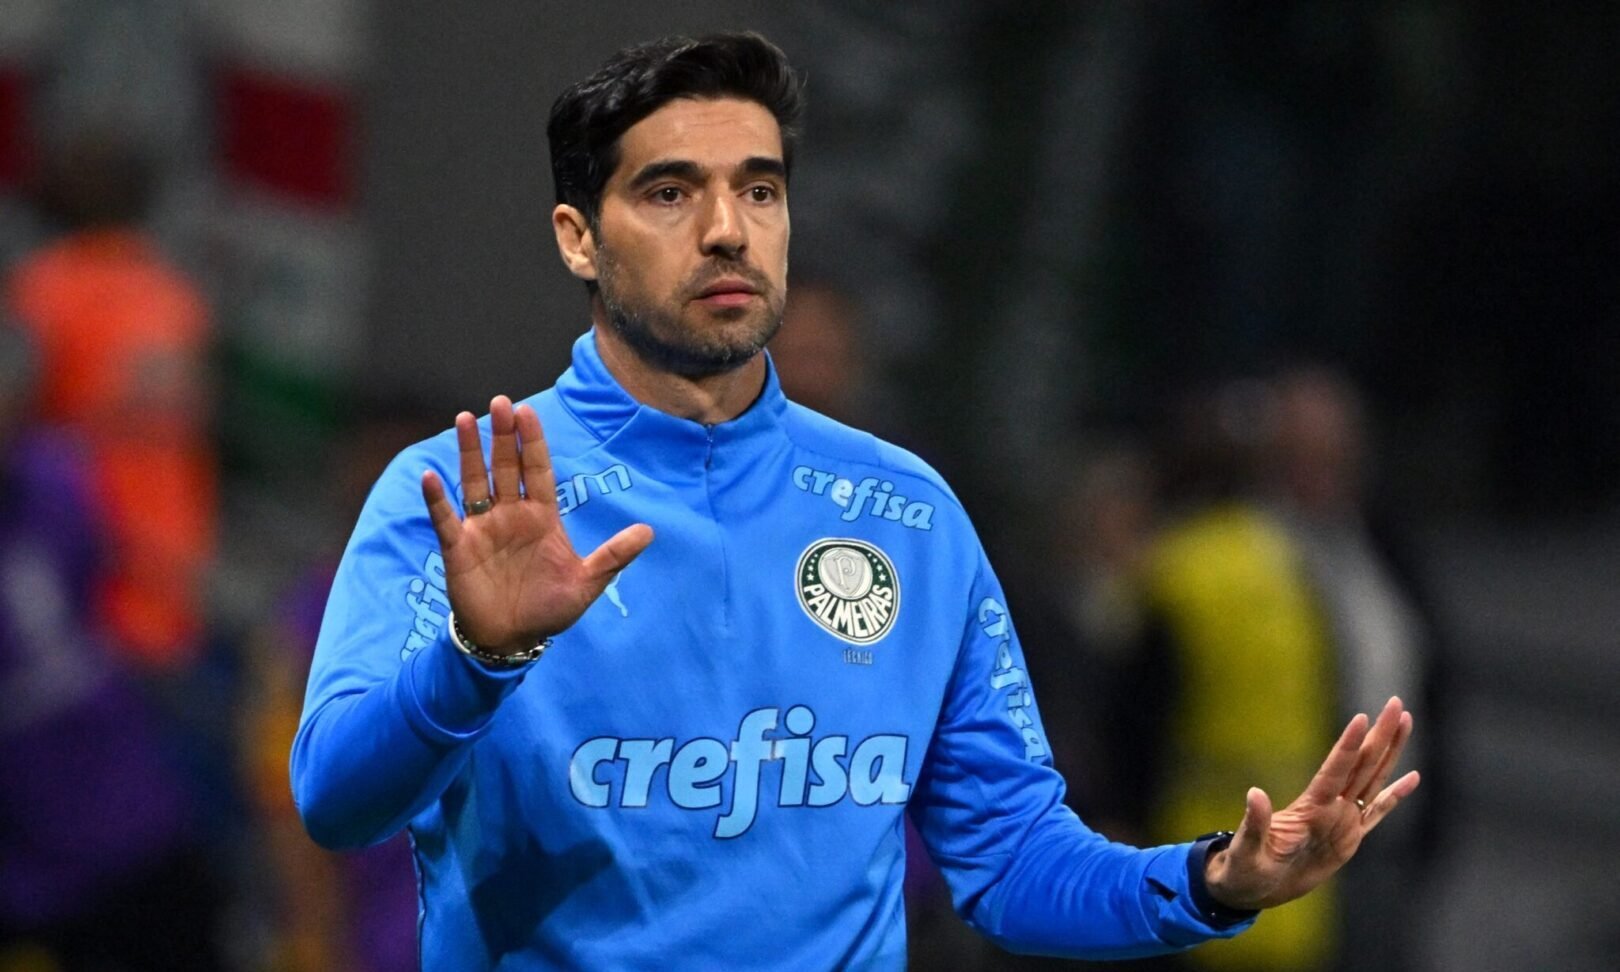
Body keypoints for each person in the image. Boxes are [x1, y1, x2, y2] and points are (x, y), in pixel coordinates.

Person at [292, 33, 1418, 970]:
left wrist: (1214, 878)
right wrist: (473, 661)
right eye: (671, 191)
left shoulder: (906, 513)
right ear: (578, 238)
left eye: (760, 188)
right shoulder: (464, 494)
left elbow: (1013, 859)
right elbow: (335, 803)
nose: (728, 228)